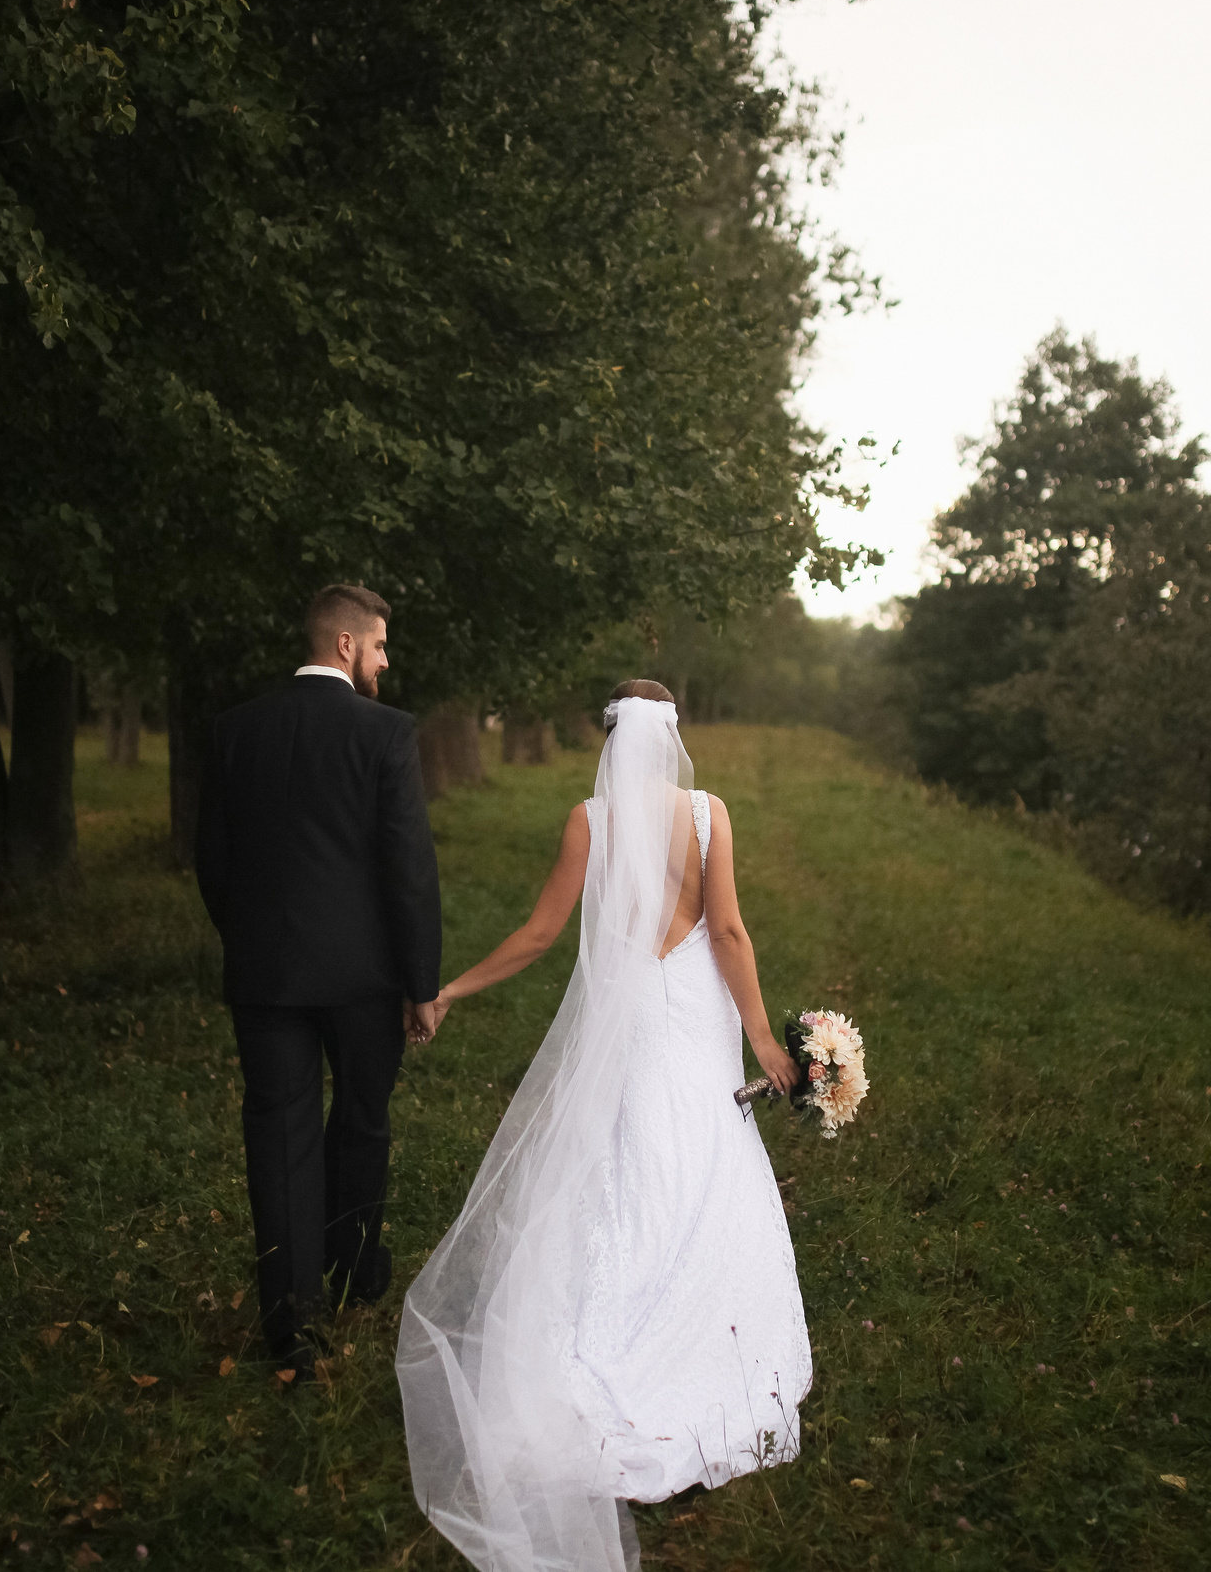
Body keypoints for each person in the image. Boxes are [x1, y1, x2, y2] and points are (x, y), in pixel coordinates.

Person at [397, 681, 809, 1572]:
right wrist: (764, 1039)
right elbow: (729, 930)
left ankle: (610, 1342)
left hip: (634, 1017)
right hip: (695, 1014)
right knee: (698, 1156)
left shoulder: (588, 819)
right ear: (673, 739)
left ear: (612, 738)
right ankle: (706, 1344)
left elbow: (541, 933)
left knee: (630, 1162)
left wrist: (450, 989)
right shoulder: (709, 814)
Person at [195, 583, 441, 1379]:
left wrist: (251, 938)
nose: (385, 659)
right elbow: (407, 867)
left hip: (265, 972)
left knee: (279, 1128)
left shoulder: (237, 730)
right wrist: (420, 978)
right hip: (365, 978)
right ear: (344, 646)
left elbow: (214, 859)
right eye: (377, 645)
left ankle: (289, 1315)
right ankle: (357, 1270)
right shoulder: (387, 734)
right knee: (362, 1118)